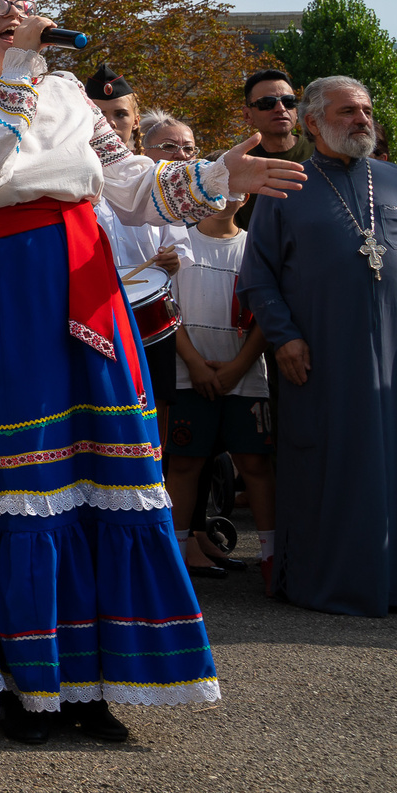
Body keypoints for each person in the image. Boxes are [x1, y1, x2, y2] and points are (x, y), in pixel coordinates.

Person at [0, 0, 302, 743]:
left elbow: (132, 187)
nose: (12, 11)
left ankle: (91, 684)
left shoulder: (69, 94)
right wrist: (23, 64)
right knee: (21, 484)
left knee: (101, 480)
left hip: (86, 280)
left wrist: (216, 177)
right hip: (6, 292)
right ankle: (23, 682)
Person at [239, 76, 397, 617]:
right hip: (325, 355)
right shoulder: (285, 185)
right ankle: (337, 581)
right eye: (347, 111)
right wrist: (285, 337)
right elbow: (258, 276)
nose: (362, 120)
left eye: (365, 110)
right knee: (335, 464)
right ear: (313, 123)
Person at [169, 197, 275, 585]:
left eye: (233, 190)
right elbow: (167, 308)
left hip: (245, 377)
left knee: (256, 464)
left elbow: (268, 312)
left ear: (244, 196)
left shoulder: (256, 246)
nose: (224, 198)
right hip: (188, 375)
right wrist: (195, 364)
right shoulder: (178, 242)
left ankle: (272, 557)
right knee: (184, 465)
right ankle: (176, 558)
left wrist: (238, 367)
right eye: (216, 189)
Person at [125, 111, 202, 568]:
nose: (181, 156)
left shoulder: (169, 194)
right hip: (105, 313)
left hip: (153, 316)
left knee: (157, 415)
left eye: (188, 148)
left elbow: (182, 249)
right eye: (170, 148)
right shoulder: (102, 181)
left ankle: (157, 517)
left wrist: (173, 259)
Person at [234, 71, 309, 231]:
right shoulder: (238, 163)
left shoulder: (322, 152)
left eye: (289, 101)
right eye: (267, 103)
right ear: (247, 115)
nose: (280, 109)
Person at [83, 63, 141, 153]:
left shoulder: (147, 162)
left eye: (120, 115)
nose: (110, 123)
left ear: (135, 121)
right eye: (99, 116)